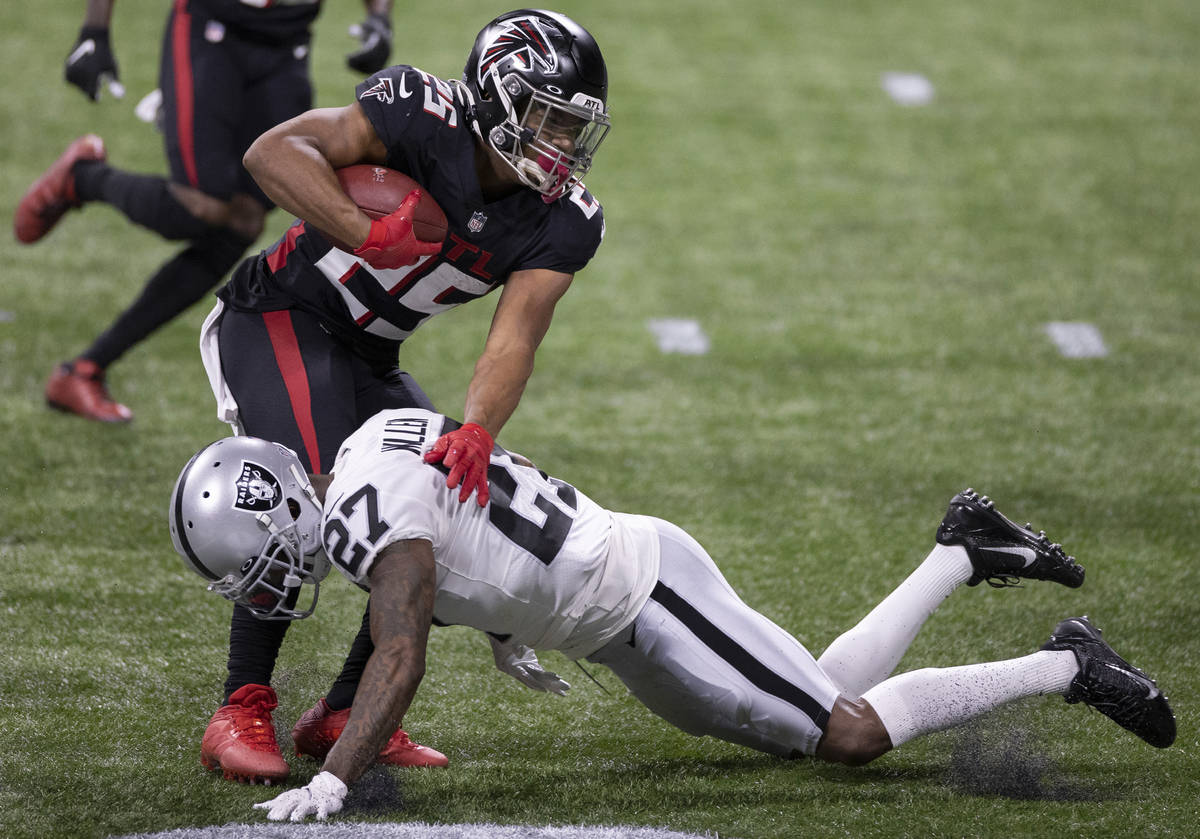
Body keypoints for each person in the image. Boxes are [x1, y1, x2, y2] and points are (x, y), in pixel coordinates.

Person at [168, 409, 1176, 823]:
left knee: (850, 733)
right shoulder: (361, 451)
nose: (262, 587)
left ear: (282, 502)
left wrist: (336, 783)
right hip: (615, 615)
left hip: (647, 592)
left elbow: (398, 649)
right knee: (819, 704)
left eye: (254, 561)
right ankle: (963, 547)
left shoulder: (369, 521)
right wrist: (510, 621)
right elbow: (470, 517)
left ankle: (1066, 663)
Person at [190, 10, 612, 784]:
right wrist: (358, 228)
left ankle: (346, 710)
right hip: (279, 313)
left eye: (574, 126)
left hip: (366, 348)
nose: (561, 144)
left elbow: (514, 337)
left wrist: (478, 429)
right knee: (310, 502)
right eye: (549, 117)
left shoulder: (564, 220)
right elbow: (271, 151)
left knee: (436, 502)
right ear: (495, 96)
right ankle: (240, 705)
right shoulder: (418, 113)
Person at [14, 0, 396, 422]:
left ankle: (84, 370)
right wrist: (95, 30)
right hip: (210, 29)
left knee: (244, 219)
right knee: (206, 204)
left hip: (288, 45)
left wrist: (380, 17)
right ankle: (83, 179)